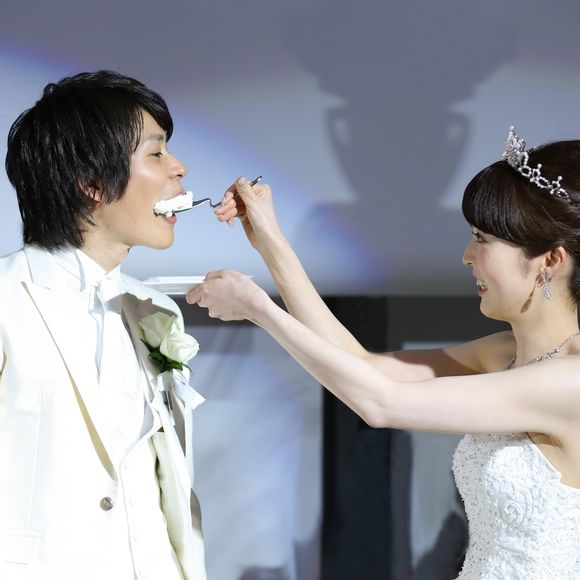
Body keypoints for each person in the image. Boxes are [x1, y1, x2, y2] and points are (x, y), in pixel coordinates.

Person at [188, 127, 580, 578]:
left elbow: (380, 403)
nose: (467, 256)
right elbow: (362, 366)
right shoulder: (503, 354)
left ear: (550, 261)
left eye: (482, 239)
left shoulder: (570, 379)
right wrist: (271, 241)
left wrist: (260, 311)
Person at [1, 71, 206, 579]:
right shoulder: (6, 297)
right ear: (91, 182)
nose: (179, 167)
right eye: (156, 153)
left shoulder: (155, 311)